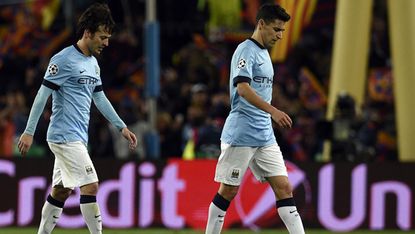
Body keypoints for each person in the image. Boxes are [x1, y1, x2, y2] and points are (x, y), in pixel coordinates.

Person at [17, 3, 137, 234]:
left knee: (61, 190)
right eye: (102, 37)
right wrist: (29, 131)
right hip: (64, 136)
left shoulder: (93, 64)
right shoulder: (62, 60)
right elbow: (43, 95)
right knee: (91, 185)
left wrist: (121, 127)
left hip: (78, 137)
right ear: (88, 33)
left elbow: (100, 99)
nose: (106, 43)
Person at [205, 4, 305, 234]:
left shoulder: (264, 54)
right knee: (228, 191)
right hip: (241, 133)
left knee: (284, 188)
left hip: (264, 135)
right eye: (276, 29)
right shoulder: (245, 50)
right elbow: (242, 89)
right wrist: (274, 111)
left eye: (282, 31)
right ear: (261, 24)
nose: (280, 35)